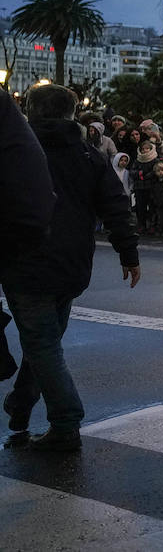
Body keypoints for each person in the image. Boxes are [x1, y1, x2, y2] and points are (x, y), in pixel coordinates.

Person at [2, 84, 139, 452]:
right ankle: (21, 403)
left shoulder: (17, 151)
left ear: (30, 110)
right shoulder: (89, 155)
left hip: (25, 262)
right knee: (44, 341)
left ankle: (65, 422)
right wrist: (129, 253)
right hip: (74, 265)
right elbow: (115, 204)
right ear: (72, 112)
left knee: (42, 343)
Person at [0, 92, 56, 387]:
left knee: (42, 343)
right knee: (44, 343)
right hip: (45, 252)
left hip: (27, 252)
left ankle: (59, 418)